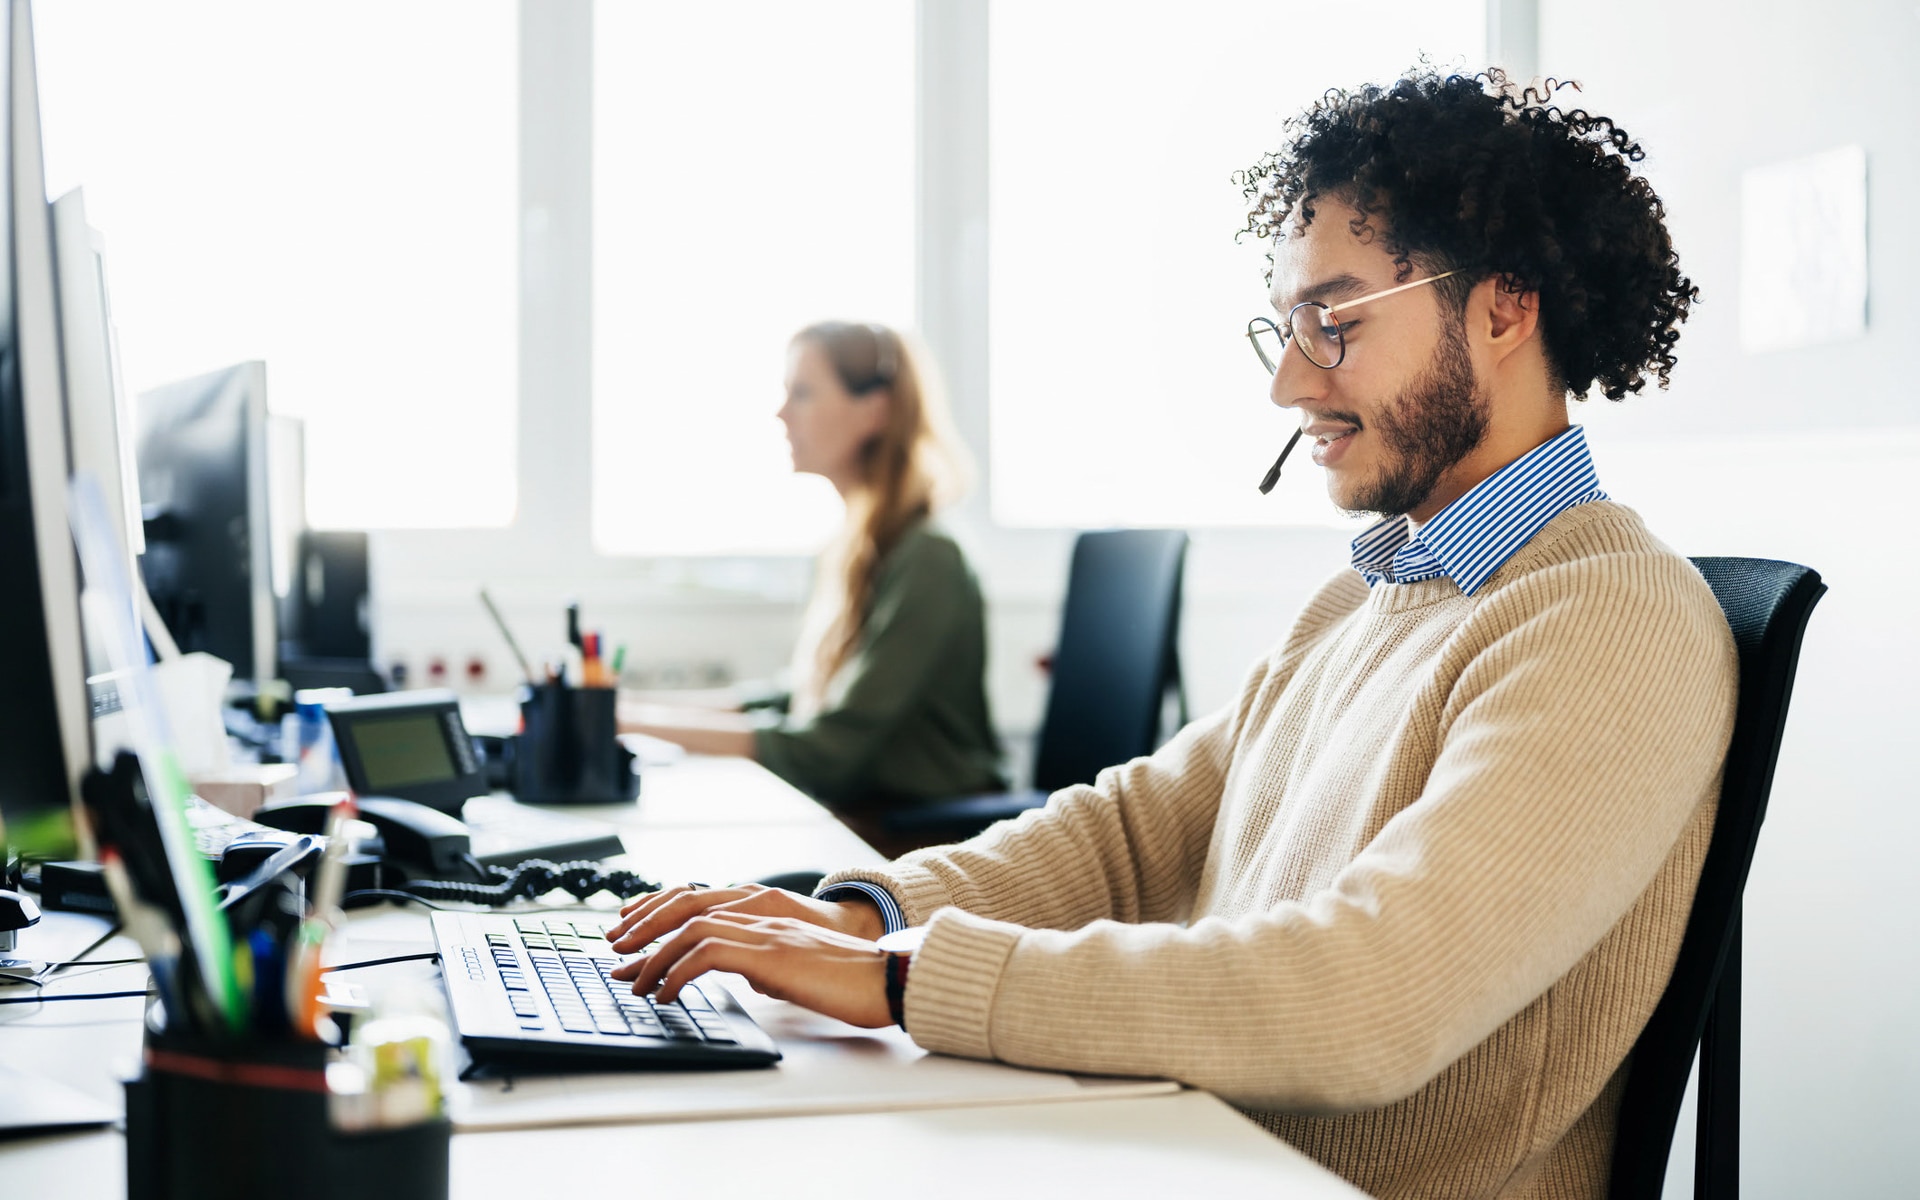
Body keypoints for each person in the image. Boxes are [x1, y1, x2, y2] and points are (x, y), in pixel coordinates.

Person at [604, 68, 1734, 1200]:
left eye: (1333, 323)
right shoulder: (1364, 600)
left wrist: (904, 980)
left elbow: (1367, 997)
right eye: (1285, 330)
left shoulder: (1612, 619)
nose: (1291, 381)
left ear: (1503, 305)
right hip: (1197, 1155)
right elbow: (1131, 839)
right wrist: (863, 913)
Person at [620, 321, 1006, 822]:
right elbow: (800, 695)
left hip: (923, 833)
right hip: (873, 813)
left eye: (802, 393)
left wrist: (638, 722)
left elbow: (828, 751)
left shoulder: (929, 556)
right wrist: (638, 710)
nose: (781, 413)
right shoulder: (861, 544)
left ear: (875, 410)